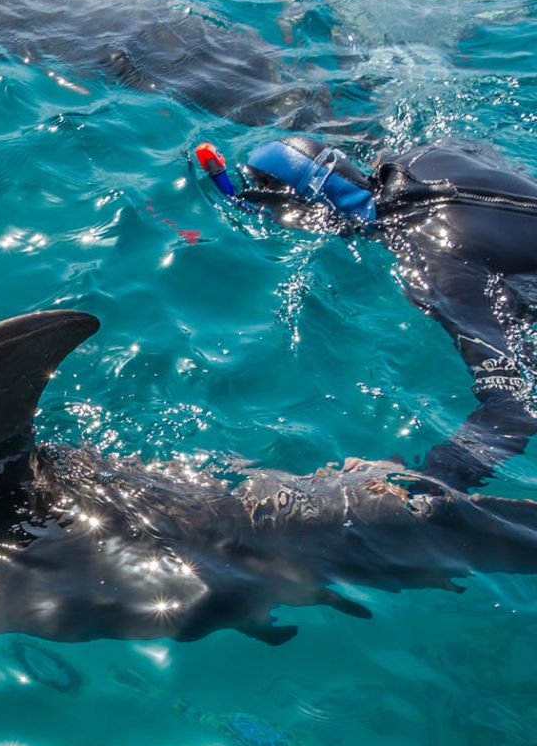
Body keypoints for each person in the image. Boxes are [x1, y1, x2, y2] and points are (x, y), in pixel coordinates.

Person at [197, 136, 537, 491]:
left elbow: (515, 409)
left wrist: (421, 480)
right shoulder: (422, 157)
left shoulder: (435, 262)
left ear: (314, 217)